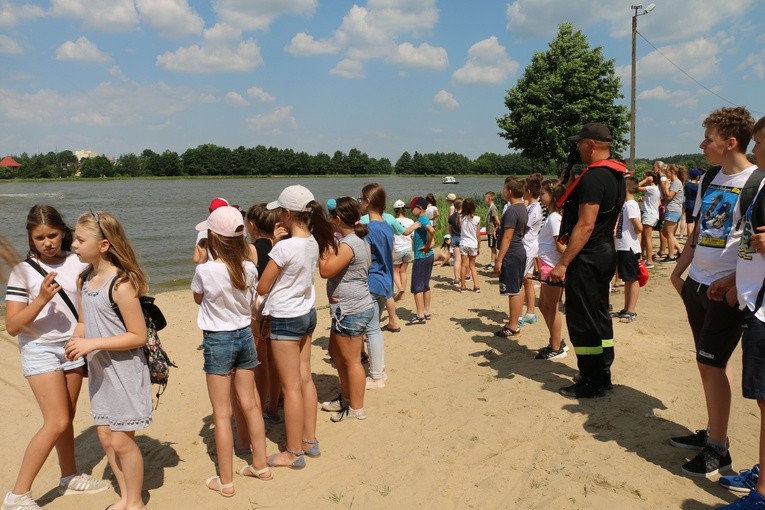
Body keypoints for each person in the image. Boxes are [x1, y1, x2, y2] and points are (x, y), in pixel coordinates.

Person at [668, 106, 757, 478]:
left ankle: (718, 449)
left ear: (730, 142)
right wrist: (678, 272)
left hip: (726, 291)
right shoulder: (708, 178)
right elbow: (699, 229)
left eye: (709, 138)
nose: (703, 144)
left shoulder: (758, 182)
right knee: (711, 365)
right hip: (698, 284)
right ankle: (713, 429)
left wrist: (736, 280)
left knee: (710, 363)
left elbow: (753, 242)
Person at [3, 206, 108, 510]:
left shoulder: (78, 261)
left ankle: (69, 476)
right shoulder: (22, 271)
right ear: (31, 238)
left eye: (52, 235)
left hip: (73, 347)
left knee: (67, 418)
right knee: (57, 420)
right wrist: (42, 299)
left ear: (63, 231)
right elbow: (12, 326)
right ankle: (17, 495)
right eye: (40, 237)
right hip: (39, 349)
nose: (47, 242)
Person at [65, 210, 153, 510]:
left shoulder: (121, 284)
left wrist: (92, 343)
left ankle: (136, 501)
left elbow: (137, 336)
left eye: (80, 239)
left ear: (103, 245)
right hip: (101, 373)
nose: (73, 245)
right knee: (105, 439)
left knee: (121, 442)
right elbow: (83, 320)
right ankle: (126, 496)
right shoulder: (83, 280)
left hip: (125, 372)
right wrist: (76, 341)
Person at [192, 206, 272, 496]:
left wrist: (202, 259)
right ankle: (260, 464)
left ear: (212, 236)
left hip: (218, 339)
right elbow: (251, 303)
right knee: (250, 403)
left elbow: (197, 298)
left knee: (222, 413)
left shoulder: (205, 270)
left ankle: (225, 481)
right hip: (244, 336)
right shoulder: (249, 267)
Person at [257, 185, 334, 469]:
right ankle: (309, 440)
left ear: (288, 214)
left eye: (279, 210)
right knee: (304, 380)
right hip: (306, 313)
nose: (277, 214)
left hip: (285, 318)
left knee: (290, 388)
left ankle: (292, 452)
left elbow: (263, 286)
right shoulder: (313, 241)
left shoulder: (285, 247)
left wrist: (276, 248)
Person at [549, 122, 627, 399]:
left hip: (589, 254)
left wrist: (562, 263)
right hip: (605, 250)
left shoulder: (594, 177)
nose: (578, 148)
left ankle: (591, 380)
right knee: (599, 315)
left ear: (591, 144)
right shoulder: (616, 174)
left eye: (580, 143)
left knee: (583, 320)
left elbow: (585, 225)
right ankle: (602, 372)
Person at [716, 115, 765, 508]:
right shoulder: (763, 183)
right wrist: (735, 283)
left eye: (762, 143)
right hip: (754, 303)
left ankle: (763, 494)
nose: (756, 149)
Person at [319, 197, 375, 421]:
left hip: (352, 309)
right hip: (351, 307)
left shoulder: (350, 243)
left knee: (351, 360)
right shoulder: (358, 239)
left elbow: (325, 270)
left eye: (331, 218)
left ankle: (356, 409)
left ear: (338, 219)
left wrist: (324, 244)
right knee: (335, 352)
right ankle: (346, 398)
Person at [245, 204, 282, 423]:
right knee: (275, 361)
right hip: (278, 307)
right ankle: (274, 405)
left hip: (259, 311)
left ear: (252, 225)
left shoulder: (251, 249)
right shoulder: (280, 246)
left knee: (260, 362)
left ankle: (260, 406)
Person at [359, 183, 397, 388]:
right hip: (385, 282)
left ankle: (375, 375)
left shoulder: (369, 229)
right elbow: (391, 256)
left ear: (368, 202)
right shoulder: (387, 227)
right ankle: (379, 370)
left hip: (372, 282)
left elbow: (365, 259)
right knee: (374, 329)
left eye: (361, 199)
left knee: (371, 329)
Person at [535, 180, 568, 360]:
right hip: (546, 265)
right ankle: (556, 339)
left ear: (553, 196)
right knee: (543, 305)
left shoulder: (555, 218)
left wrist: (564, 264)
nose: (540, 197)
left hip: (552, 266)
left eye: (543, 194)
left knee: (552, 307)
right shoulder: (553, 216)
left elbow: (560, 246)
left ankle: (557, 346)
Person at [494, 179, 527, 338]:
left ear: (510, 192)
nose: (503, 191)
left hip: (512, 253)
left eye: (504, 188)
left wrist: (499, 259)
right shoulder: (522, 208)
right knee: (518, 287)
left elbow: (507, 238)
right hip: (519, 250)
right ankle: (514, 321)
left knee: (513, 290)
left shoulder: (512, 211)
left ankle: (513, 326)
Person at [612, 177, 644, 323]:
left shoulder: (631, 204)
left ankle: (631, 310)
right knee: (627, 279)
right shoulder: (625, 204)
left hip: (629, 246)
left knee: (632, 279)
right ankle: (626, 308)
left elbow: (638, 226)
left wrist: (636, 233)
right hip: (622, 246)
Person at [402, 197, 435, 325]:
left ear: (420, 208)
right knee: (425, 285)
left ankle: (420, 315)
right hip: (429, 256)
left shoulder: (421, 220)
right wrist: (429, 244)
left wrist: (427, 245)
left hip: (421, 257)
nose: (410, 210)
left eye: (412, 208)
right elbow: (431, 232)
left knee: (417, 287)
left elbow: (431, 231)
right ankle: (426, 312)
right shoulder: (425, 218)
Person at [521, 179, 543, 325]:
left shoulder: (534, 208)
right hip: (528, 245)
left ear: (528, 192)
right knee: (527, 280)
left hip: (528, 246)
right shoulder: (531, 206)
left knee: (521, 281)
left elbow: (523, 226)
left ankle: (520, 315)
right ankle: (530, 312)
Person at [660, 164, 685, 262]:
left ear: (672, 172)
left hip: (673, 210)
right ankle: (680, 249)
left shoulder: (676, 182)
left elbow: (669, 196)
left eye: (667, 172)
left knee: (669, 234)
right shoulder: (675, 182)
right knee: (665, 232)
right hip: (673, 210)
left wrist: (665, 186)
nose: (666, 173)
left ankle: (671, 256)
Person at [392, 200, 414, 301]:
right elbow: (413, 236)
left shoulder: (393, 222)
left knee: (395, 271)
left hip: (397, 248)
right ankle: (403, 294)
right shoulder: (410, 221)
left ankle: (400, 288)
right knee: (404, 271)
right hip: (408, 248)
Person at [639, 171, 661, 268]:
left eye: (646, 177)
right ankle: (641, 257)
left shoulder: (652, 188)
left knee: (647, 238)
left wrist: (645, 180)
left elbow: (634, 187)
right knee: (644, 237)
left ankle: (649, 260)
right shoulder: (654, 189)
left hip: (649, 215)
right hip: (651, 215)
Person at [459, 198, 481, 293]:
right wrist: (479, 246)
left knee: (463, 265)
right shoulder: (477, 219)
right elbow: (478, 234)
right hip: (473, 243)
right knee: (472, 265)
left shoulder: (460, 218)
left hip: (463, 242)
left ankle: (463, 285)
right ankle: (476, 285)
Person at [683, 169, 702, 244]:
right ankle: (695, 238)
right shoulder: (698, 186)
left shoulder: (686, 184)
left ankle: (689, 239)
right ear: (697, 177)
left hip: (688, 204)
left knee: (689, 223)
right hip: (697, 205)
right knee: (697, 223)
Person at [447, 198, 463, 285]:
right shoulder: (464, 216)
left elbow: (449, 229)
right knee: (464, 259)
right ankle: (465, 276)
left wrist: (452, 235)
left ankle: (456, 278)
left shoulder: (452, 217)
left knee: (457, 259)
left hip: (455, 237)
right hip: (463, 238)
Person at [485, 192, 500, 269]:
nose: (484, 200)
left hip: (492, 230)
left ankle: (493, 263)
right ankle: (494, 262)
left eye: (485, 198)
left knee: (492, 247)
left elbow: (497, 220)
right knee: (492, 247)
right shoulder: (490, 207)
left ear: (489, 198)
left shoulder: (493, 208)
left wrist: (497, 229)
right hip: (489, 230)